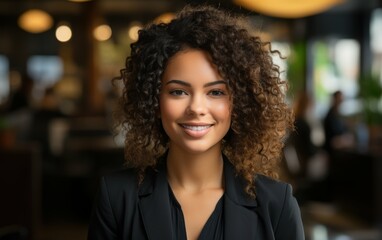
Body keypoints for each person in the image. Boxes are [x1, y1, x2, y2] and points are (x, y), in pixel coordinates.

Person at [88, 5, 304, 240]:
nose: (196, 109)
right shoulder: (117, 197)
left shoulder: (276, 204)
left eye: (216, 92)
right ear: (153, 101)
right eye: (178, 92)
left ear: (239, 103)